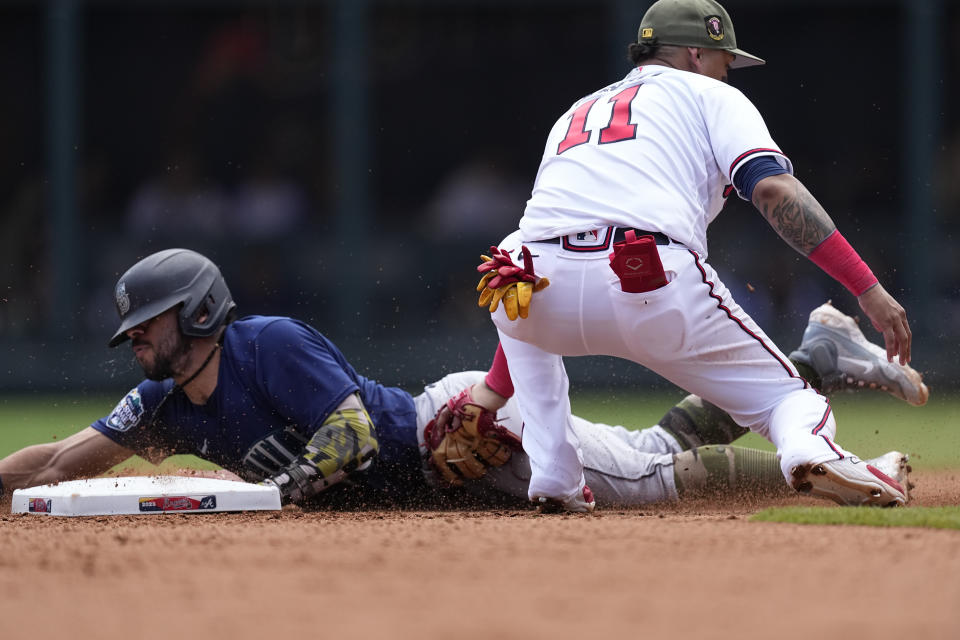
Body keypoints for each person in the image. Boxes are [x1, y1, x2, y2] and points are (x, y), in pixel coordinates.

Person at [0, 249, 922, 510]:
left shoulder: (263, 344)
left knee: (652, 475)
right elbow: (59, 460)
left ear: (196, 314)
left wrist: (270, 496)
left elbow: (355, 433)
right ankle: (809, 359)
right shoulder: (165, 407)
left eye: (147, 328)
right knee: (647, 454)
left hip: (459, 434)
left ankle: (824, 440)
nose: (136, 345)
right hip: (441, 477)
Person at [475, 0, 917, 512]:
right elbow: (773, 190)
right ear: (695, 53)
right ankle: (807, 452)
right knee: (789, 400)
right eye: (726, 61)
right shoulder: (710, 95)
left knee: (514, 268)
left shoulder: (574, 112)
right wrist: (866, 286)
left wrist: (493, 390)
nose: (728, 73)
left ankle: (554, 478)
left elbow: (553, 240)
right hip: (643, 275)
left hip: (530, 280)